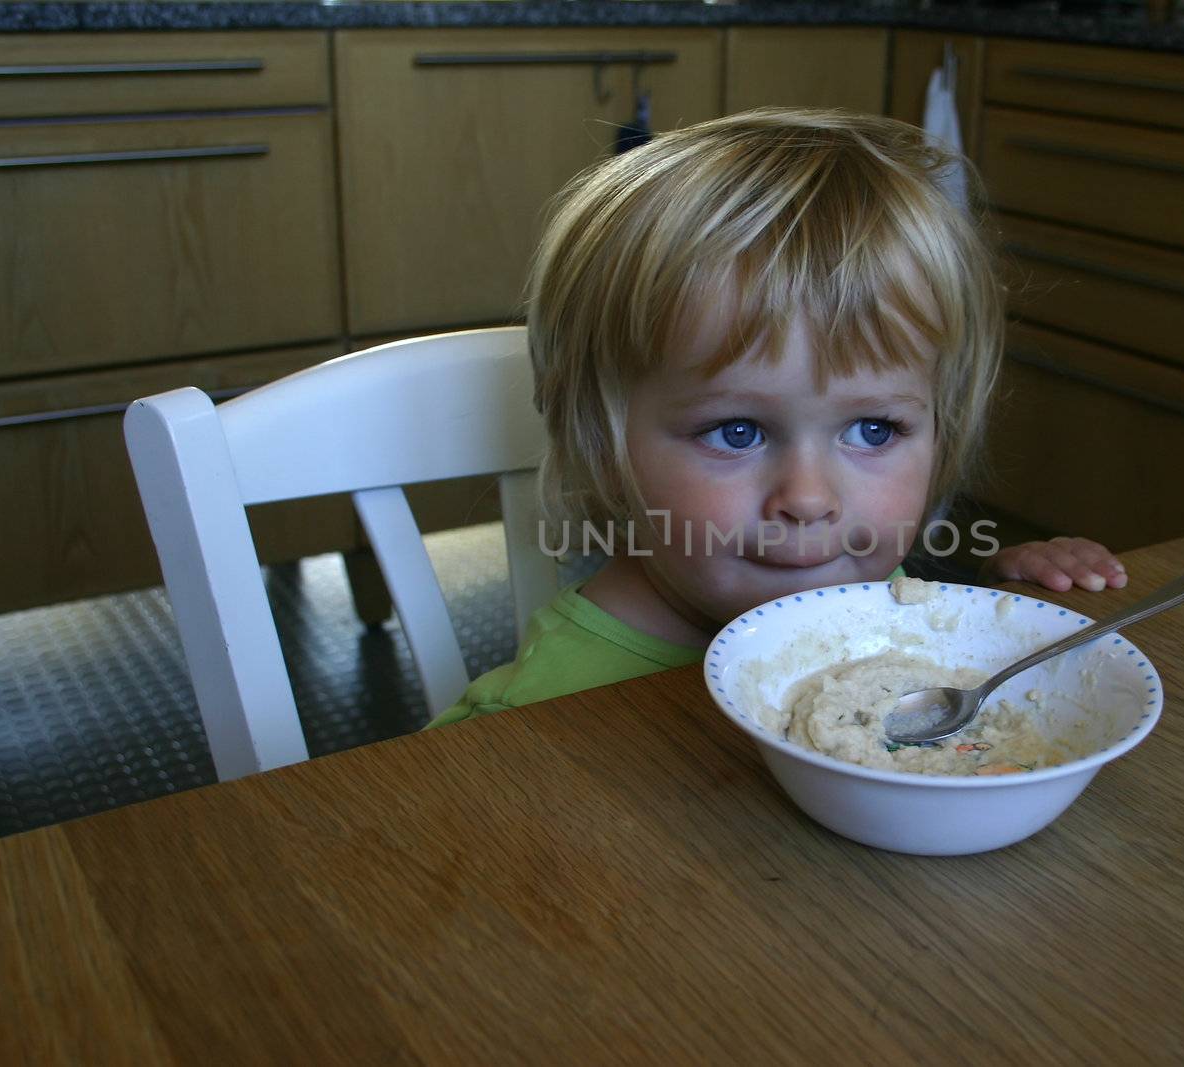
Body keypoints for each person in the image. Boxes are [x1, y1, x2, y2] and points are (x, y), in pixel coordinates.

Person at [428, 108, 1125, 726]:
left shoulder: (883, 599)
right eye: (738, 431)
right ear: (600, 440)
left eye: (873, 430)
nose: (810, 499)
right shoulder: (532, 719)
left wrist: (1000, 613)